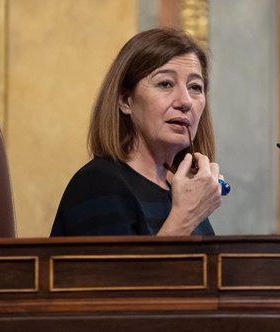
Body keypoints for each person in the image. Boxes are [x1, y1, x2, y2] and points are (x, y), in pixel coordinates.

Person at [50, 28, 223, 236]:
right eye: (165, 84)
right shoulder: (99, 184)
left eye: (195, 87)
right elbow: (128, 270)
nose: (185, 101)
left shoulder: (180, 190)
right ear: (125, 101)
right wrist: (186, 216)